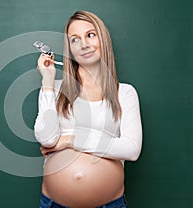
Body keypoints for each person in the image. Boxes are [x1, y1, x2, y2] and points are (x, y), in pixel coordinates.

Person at [34, 10, 142, 208]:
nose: (83, 44)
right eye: (74, 40)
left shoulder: (124, 93)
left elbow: (131, 149)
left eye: (90, 35)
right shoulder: (54, 88)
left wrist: (68, 140)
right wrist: (48, 80)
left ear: (103, 39)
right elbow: (48, 139)